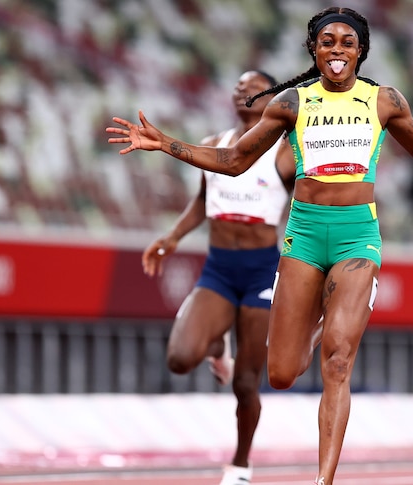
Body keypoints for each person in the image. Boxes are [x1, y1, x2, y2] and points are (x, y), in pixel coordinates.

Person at [107, 7, 413, 484]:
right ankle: (319, 321)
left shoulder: (384, 100)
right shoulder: (290, 103)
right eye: (328, 42)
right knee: (282, 373)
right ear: (314, 49)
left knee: (339, 362)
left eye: (348, 42)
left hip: (356, 235)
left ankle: (323, 479)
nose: (338, 50)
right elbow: (233, 160)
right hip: (304, 235)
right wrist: (167, 144)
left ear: (361, 51)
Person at [140, 70, 295, 485]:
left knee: (246, 382)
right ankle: (215, 339)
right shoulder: (214, 145)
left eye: (252, 87)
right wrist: (172, 237)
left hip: (262, 270)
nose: (242, 91)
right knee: (179, 358)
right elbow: (202, 201)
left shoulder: (285, 153)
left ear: (273, 99)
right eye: (237, 87)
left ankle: (241, 463)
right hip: (220, 268)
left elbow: (315, 201)